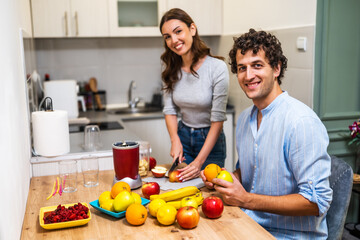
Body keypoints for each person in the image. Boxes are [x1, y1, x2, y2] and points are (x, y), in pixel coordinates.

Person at [200, 29, 333, 239]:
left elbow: (317, 202)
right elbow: (252, 171)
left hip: (289, 235)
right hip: (247, 224)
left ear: (277, 68)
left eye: (257, 65)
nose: (248, 75)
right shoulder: (244, 119)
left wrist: (245, 199)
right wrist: (224, 181)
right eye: (242, 68)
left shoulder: (301, 122)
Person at [159, 8, 229, 182]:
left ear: (192, 29)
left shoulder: (217, 68)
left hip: (210, 142)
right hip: (183, 137)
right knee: (183, 190)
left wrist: (199, 162)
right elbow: (169, 110)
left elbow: (218, 119)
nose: (174, 40)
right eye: (167, 36)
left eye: (178, 31)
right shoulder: (169, 68)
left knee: (210, 192)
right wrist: (175, 139)